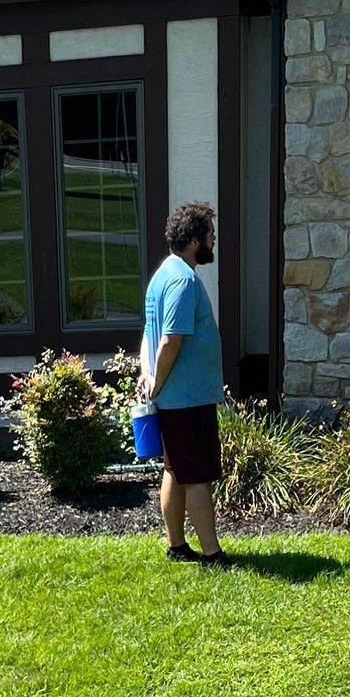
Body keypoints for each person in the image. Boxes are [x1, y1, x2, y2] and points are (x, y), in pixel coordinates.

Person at [139, 202, 228, 562]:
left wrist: (148, 376)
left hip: (176, 397)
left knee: (175, 470)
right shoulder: (182, 280)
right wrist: (156, 381)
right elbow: (168, 339)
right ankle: (212, 554)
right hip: (187, 399)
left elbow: (147, 333)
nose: (213, 240)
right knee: (197, 476)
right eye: (209, 234)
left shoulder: (162, 274)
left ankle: (177, 547)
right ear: (193, 240)